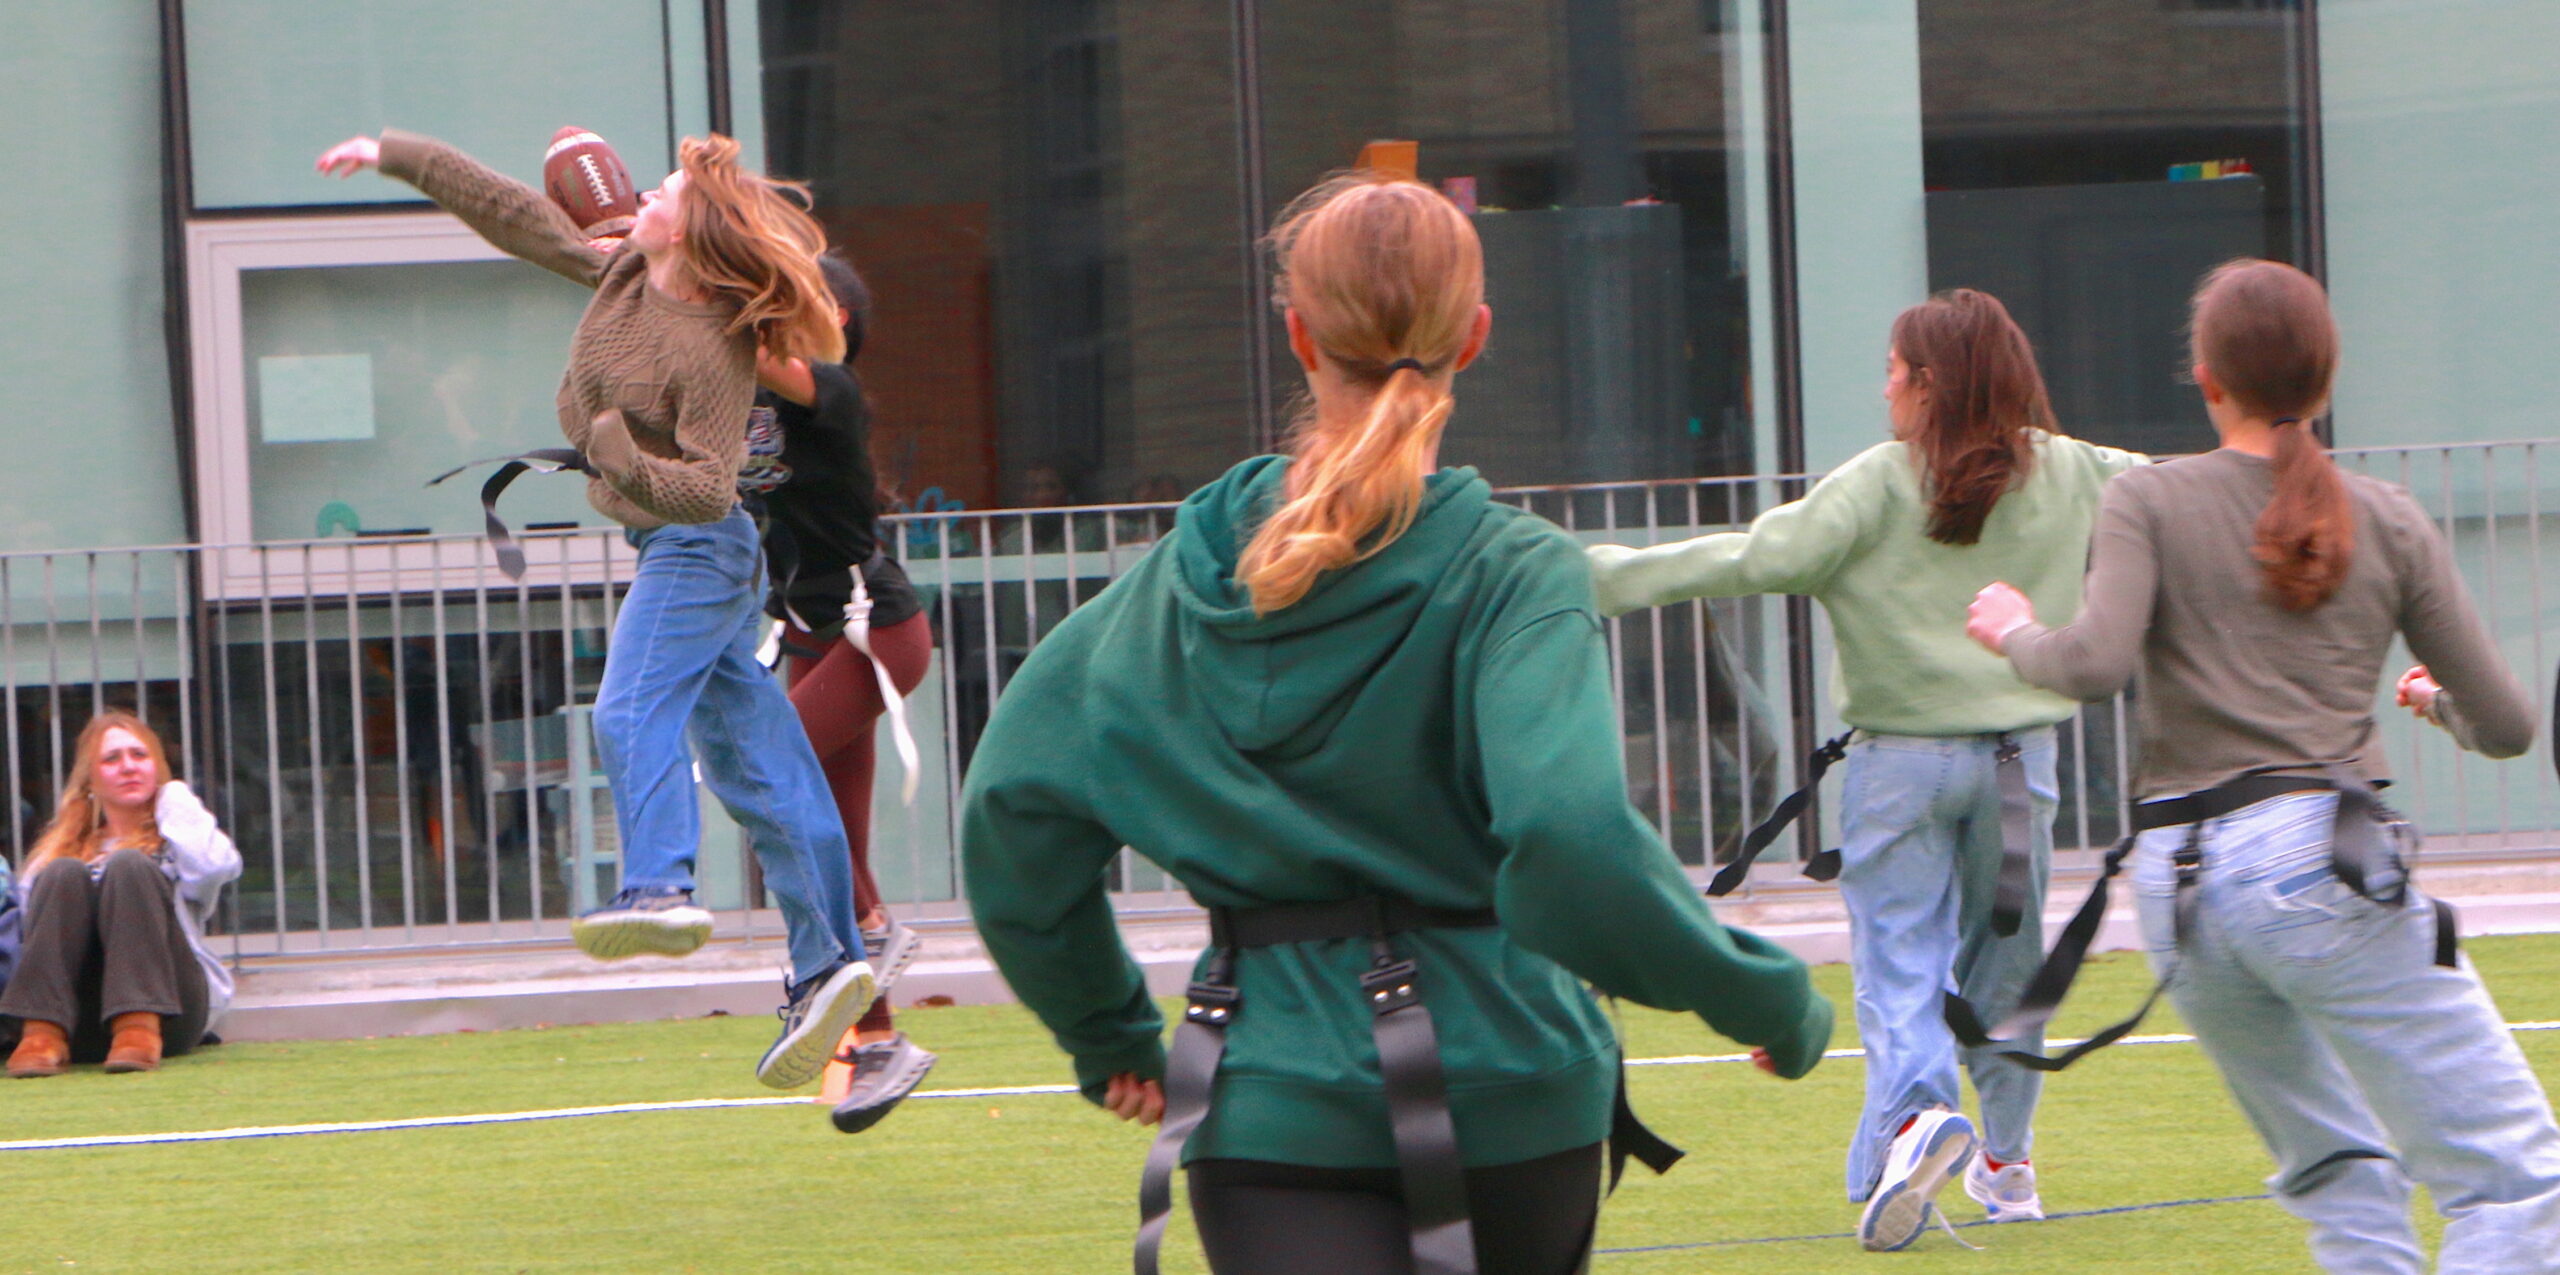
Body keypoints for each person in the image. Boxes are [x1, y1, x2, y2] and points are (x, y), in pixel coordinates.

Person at [960, 172, 1832, 1275]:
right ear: (1473, 338)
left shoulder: (1170, 589)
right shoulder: (1516, 573)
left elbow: (1011, 818)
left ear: (1297, 332)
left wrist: (1108, 1032)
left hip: (1266, 1096)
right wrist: (1760, 995)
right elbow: (1568, 833)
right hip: (1511, 1084)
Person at [1968, 259, 2560, 1270]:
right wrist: (2436, 706)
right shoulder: (2390, 516)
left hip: (2180, 890)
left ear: (2206, 379)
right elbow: (2506, 727)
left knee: (2340, 1173)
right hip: (2319, 865)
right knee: (2512, 1181)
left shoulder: (2146, 500)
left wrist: (2015, 630)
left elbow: (2093, 664)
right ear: (2325, 379)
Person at [1585, 289, 2145, 1250]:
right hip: (2024, 769)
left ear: (1928, 383)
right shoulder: (2080, 472)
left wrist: (1584, 574)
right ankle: (2005, 1166)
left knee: (1902, 966)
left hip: (1904, 768)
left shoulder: (1878, 482)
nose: (1883, 386)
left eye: (1894, 369)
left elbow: (1741, 557)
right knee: (2008, 970)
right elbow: (2206, 493)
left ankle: (1918, 1127)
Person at [315, 129, 874, 1088]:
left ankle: (659, 883)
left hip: (701, 544)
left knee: (626, 708)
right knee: (761, 762)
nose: (640, 198)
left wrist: (618, 458)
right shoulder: (622, 272)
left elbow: (705, 487)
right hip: (669, 543)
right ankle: (830, 960)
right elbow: (513, 212)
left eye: (660, 191)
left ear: (689, 235)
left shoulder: (711, 346)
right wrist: (394, 153)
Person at [750, 251, 939, 1130]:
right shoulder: (753, 400)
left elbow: (733, 344)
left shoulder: (831, 388)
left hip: (877, 632)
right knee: (829, 835)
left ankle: (872, 926)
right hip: (808, 631)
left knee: (766, 770)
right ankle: (878, 1041)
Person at [3, 711, 240, 1077]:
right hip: (78, 1018)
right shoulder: (58, 852)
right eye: (112, 759)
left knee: (129, 865)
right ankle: (41, 1036)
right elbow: (29, 937)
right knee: (64, 871)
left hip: (170, 1013)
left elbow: (216, 869)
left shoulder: (177, 837)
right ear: (91, 779)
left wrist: (174, 795)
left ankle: (137, 1028)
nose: (128, 766)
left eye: (140, 756)